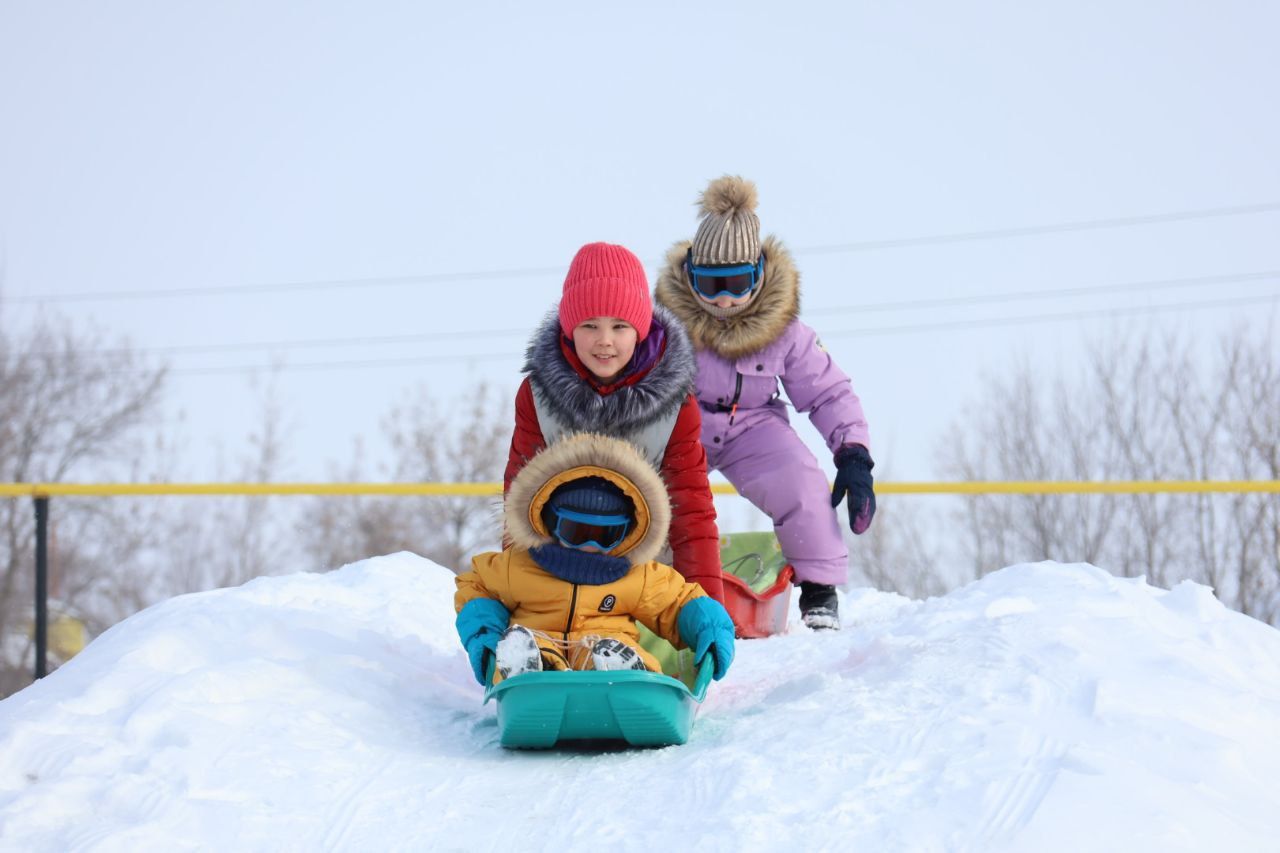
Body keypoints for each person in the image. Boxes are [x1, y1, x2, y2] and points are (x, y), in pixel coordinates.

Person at [654, 175, 876, 631]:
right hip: (679, 423)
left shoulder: (784, 330)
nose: (725, 299)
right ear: (691, 276)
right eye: (711, 284)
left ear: (758, 276)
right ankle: (638, 585)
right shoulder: (663, 323)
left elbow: (827, 391)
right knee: (645, 496)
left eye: (737, 283)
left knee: (803, 486)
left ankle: (818, 592)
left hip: (751, 426)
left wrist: (853, 452)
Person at [505, 241, 725, 604]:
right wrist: (513, 594)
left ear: (639, 330)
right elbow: (520, 498)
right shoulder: (537, 394)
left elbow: (692, 511)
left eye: (620, 326)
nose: (604, 341)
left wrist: (706, 608)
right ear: (570, 327)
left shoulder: (676, 406)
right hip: (563, 557)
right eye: (590, 325)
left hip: (642, 567)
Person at [455, 433, 735, 684]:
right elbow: (478, 588)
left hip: (605, 647)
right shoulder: (520, 566)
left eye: (606, 534)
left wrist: (709, 628)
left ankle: (625, 674)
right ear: (551, 524)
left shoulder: (637, 576)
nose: (589, 545)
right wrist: (485, 633)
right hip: (539, 641)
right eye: (576, 531)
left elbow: (678, 601)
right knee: (530, 646)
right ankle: (527, 671)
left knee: (610, 647)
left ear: (627, 533)